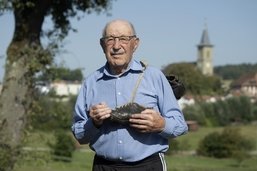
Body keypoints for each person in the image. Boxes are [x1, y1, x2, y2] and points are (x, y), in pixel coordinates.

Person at [71, 19, 188, 171]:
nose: (116, 46)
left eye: (124, 39)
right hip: (104, 166)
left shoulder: (154, 77)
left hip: (148, 166)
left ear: (135, 44)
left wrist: (160, 124)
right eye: (110, 39)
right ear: (102, 45)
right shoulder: (91, 83)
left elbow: (180, 126)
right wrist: (94, 122)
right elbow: (80, 135)